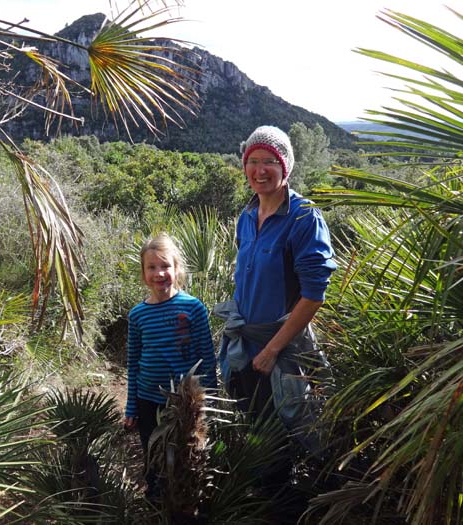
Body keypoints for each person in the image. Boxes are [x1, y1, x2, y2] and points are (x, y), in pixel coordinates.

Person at [215, 125, 336, 507]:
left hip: (281, 350)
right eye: (253, 161)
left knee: (292, 428)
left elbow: (314, 295)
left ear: (286, 166)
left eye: (270, 161)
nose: (260, 169)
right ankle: (265, 499)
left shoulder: (304, 218)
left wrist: (272, 349)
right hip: (246, 344)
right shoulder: (247, 216)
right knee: (257, 428)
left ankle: (295, 506)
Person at [123, 232, 217, 499]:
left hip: (184, 402)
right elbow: (133, 364)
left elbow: (206, 356)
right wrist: (131, 406)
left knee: (188, 458)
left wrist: (211, 399)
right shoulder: (138, 314)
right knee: (153, 459)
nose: (159, 273)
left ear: (177, 269)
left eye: (165, 266)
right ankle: (156, 505)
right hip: (148, 400)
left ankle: (188, 505)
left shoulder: (193, 308)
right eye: (151, 267)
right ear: (143, 273)